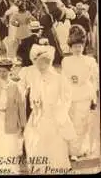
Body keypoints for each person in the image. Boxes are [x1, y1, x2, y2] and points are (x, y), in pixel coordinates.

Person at [23, 43, 75, 174]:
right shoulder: (36, 78)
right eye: (37, 63)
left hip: (55, 115)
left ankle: (57, 167)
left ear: (48, 63)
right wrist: (35, 104)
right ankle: (41, 167)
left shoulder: (59, 78)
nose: (39, 67)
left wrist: (59, 111)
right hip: (40, 114)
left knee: (55, 143)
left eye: (42, 64)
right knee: (36, 140)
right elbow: (33, 96)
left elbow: (66, 98)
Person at [62, 25, 99, 160]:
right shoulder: (66, 60)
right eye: (75, 46)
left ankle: (76, 151)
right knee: (70, 121)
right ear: (70, 48)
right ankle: (70, 148)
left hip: (84, 95)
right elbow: (64, 79)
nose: (78, 49)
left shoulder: (90, 61)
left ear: (83, 46)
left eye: (80, 46)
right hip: (70, 95)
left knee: (81, 122)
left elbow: (95, 79)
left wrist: (94, 97)